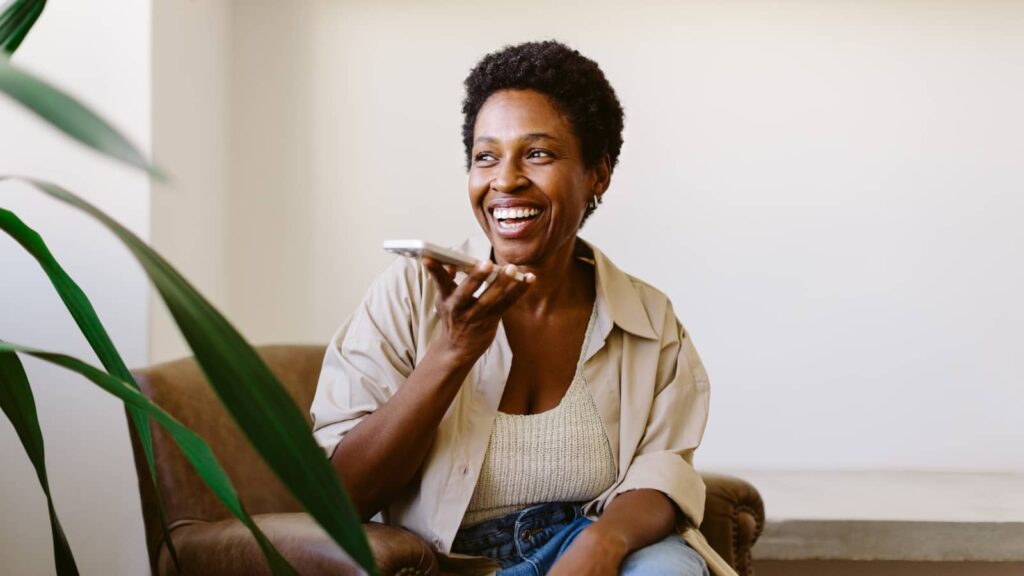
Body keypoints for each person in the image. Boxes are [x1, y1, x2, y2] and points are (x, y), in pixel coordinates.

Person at [311, 40, 730, 576]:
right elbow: (341, 497)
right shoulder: (408, 295)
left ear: (597, 174)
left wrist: (603, 543)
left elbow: (661, 473)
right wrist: (455, 350)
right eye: (486, 156)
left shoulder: (646, 319)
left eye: (538, 153)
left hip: (588, 545)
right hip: (451, 563)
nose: (504, 180)